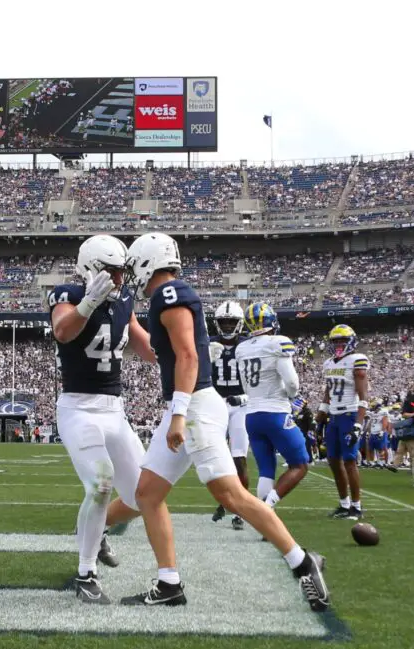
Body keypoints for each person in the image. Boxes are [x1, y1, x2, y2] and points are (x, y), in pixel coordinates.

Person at [119, 233, 328, 611]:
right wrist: (129, 320)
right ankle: (169, 584)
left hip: (194, 406)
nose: (133, 274)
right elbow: (158, 353)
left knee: (230, 495)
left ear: (149, 261)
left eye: (135, 265)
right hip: (188, 404)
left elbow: (187, 357)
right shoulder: (166, 299)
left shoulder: (170, 294)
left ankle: (301, 562)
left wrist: (179, 414)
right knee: (147, 494)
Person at [47, 234, 152, 604]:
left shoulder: (125, 299)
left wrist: (186, 355)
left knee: (145, 495)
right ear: (90, 269)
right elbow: (63, 331)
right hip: (79, 408)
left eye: (121, 272)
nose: (119, 280)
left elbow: (141, 342)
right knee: (101, 484)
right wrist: (89, 303)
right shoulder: (67, 295)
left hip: (114, 410)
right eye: (111, 272)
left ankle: (100, 528)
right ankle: (86, 573)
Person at [234, 302, 310, 514]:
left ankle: (264, 521)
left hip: (252, 415)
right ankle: (266, 510)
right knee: (300, 464)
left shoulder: (242, 348)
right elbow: (293, 383)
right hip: (275, 412)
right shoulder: (278, 342)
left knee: (266, 470)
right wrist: (293, 397)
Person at [208, 299, 251, 530]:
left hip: (241, 405)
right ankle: (225, 501)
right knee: (215, 457)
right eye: (222, 323)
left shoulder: (249, 345)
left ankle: (241, 511)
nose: (226, 327)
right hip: (215, 403)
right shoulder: (207, 343)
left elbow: (258, 379)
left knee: (239, 458)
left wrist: (245, 397)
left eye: (230, 322)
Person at [318, 325, 368, 519]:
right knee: (332, 460)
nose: (339, 344)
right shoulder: (329, 363)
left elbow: (363, 394)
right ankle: (344, 504)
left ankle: (356, 506)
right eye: (335, 341)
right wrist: (320, 417)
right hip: (334, 416)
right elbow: (327, 392)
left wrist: (358, 423)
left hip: (349, 414)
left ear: (351, 342)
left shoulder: (357, 360)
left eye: (342, 341)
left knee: (349, 461)